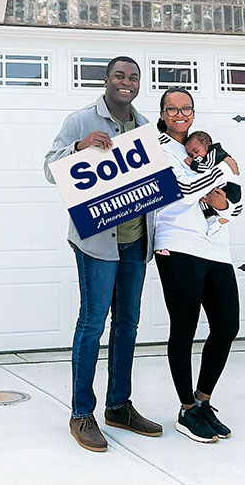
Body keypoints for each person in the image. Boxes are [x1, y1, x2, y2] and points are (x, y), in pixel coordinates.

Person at [43, 56, 162, 453]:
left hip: (136, 241)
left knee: (128, 323)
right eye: (119, 76)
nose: (126, 83)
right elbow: (49, 168)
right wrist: (79, 147)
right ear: (106, 80)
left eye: (133, 78)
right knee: (93, 324)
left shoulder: (145, 128)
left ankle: (119, 406)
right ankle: (81, 413)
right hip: (96, 241)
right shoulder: (81, 120)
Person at [154, 87, 243, 443]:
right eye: (171, 109)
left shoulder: (204, 148)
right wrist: (222, 171)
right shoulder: (156, 149)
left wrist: (222, 204)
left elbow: (233, 205)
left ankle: (203, 401)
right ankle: (186, 409)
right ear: (162, 113)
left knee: (227, 326)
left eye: (186, 108)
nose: (179, 114)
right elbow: (183, 188)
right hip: (176, 245)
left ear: (193, 112)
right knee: (185, 328)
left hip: (216, 247)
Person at [184, 130, 242, 233]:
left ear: (208, 145)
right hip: (223, 187)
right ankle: (214, 221)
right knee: (204, 198)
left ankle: (217, 220)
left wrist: (192, 163)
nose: (195, 156)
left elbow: (207, 168)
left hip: (230, 188)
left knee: (233, 206)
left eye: (196, 151)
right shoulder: (207, 155)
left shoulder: (215, 153)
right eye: (191, 155)